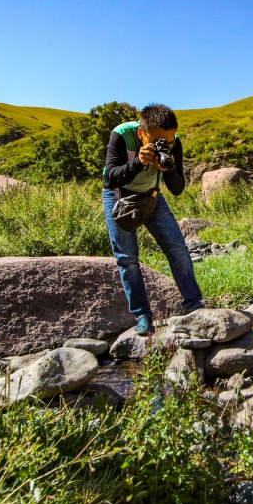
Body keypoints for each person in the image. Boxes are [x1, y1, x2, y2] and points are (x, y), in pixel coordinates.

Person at [102, 103, 204, 335]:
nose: (164, 146)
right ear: (141, 132)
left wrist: (167, 169)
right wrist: (139, 162)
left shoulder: (174, 141)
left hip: (152, 195)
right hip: (119, 196)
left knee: (178, 248)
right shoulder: (121, 135)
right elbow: (110, 179)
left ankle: (193, 303)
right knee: (127, 258)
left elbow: (178, 189)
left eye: (168, 142)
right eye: (157, 142)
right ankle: (142, 315)